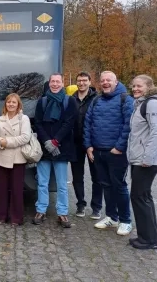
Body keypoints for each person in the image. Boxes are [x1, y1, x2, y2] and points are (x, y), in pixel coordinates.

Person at [84, 71, 134, 236]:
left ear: (116, 81)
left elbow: (129, 126)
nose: (105, 82)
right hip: (97, 151)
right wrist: (88, 145)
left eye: (109, 80)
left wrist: (119, 147)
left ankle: (126, 221)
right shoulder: (96, 100)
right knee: (105, 185)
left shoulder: (126, 100)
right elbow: (88, 123)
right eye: (103, 80)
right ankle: (112, 217)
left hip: (117, 153)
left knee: (119, 186)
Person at [32, 74, 77, 228]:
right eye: (53, 82)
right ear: (49, 83)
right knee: (42, 182)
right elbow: (37, 122)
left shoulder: (69, 101)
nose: (55, 84)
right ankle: (41, 210)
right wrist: (47, 142)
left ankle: (62, 213)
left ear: (62, 83)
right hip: (44, 148)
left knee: (62, 184)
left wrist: (56, 141)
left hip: (62, 148)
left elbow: (70, 122)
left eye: (58, 82)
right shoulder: (42, 101)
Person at [127, 75, 157, 250]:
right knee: (142, 197)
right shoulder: (142, 104)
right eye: (133, 86)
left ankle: (149, 240)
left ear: (149, 86)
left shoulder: (152, 104)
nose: (135, 89)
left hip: (146, 161)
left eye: (139, 86)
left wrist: (147, 158)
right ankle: (147, 237)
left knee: (140, 197)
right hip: (140, 159)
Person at [0, 93, 30, 226]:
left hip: (17, 159)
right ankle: (1, 216)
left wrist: (7, 142)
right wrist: (1, 142)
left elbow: (25, 137)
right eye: (8, 102)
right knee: (1, 189)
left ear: (18, 105)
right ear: (5, 104)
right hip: (1, 158)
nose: (11, 104)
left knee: (17, 190)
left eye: (14, 102)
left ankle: (16, 218)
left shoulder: (24, 119)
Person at [70, 72, 102, 219]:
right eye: (79, 81)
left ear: (90, 82)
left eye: (84, 80)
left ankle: (96, 207)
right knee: (77, 176)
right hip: (75, 143)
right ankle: (80, 205)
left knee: (97, 176)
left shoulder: (97, 99)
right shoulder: (71, 99)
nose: (81, 83)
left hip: (93, 143)